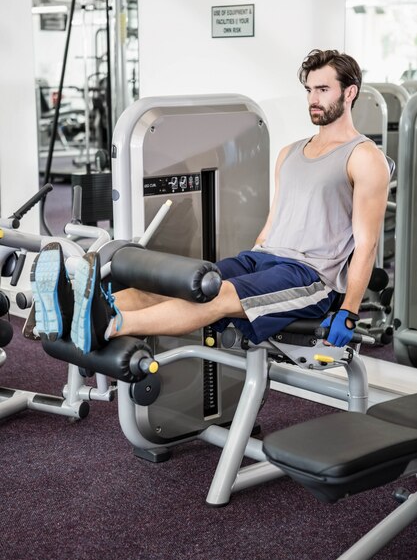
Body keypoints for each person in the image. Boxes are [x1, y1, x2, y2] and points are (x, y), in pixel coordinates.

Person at [30, 49, 390, 354]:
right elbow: (276, 217)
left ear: (349, 93)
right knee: (181, 285)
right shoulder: (290, 152)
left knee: (217, 297)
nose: (314, 98)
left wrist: (350, 310)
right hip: (262, 258)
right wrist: (257, 252)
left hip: (310, 275)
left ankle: (108, 325)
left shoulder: (363, 157)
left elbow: (367, 242)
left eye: (323, 89)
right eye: (310, 89)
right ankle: (72, 309)